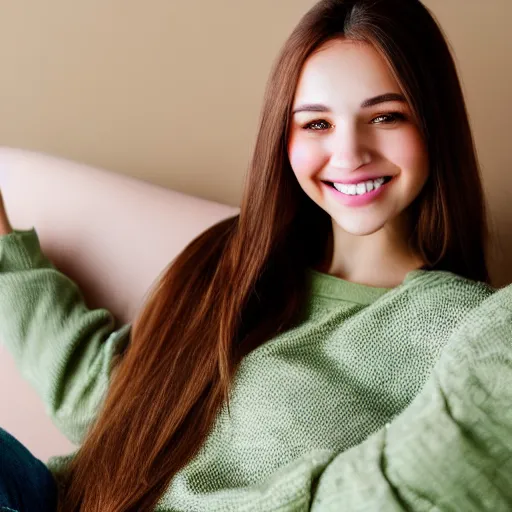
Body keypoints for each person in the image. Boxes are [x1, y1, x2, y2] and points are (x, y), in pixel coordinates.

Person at [1, 0, 511, 510]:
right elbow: (104, 398)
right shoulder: (234, 260)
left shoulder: (465, 330)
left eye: (386, 116)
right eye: (316, 124)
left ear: (433, 125)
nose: (351, 154)